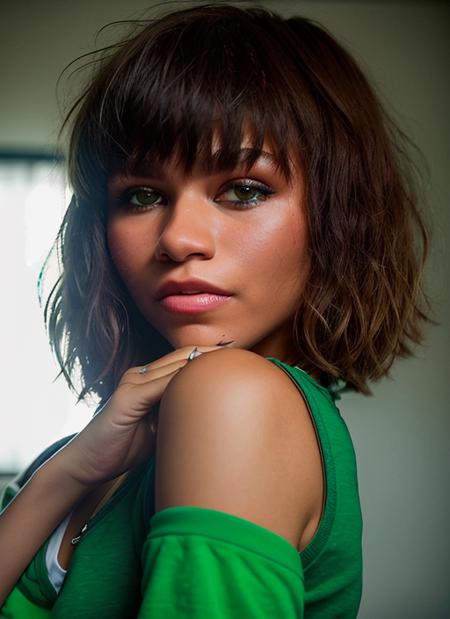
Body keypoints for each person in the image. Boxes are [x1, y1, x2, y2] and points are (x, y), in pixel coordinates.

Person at [0, 3, 430, 618]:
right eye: (143, 195)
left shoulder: (233, 395)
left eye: (244, 190)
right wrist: (66, 472)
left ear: (338, 216)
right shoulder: (87, 452)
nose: (178, 238)